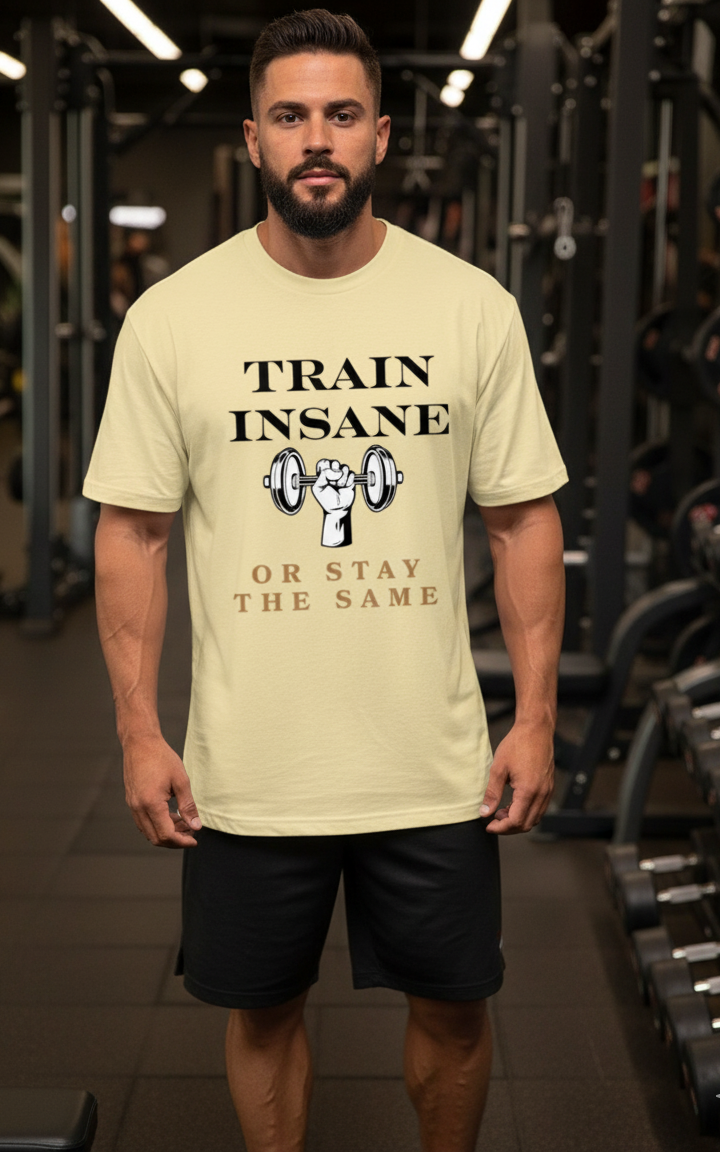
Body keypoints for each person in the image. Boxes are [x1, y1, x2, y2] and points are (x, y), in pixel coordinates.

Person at [83, 10, 567, 1151]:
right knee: (262, 1010)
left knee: (455, 1011)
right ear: (253, 139)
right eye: (291, 116)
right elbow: (133, 536)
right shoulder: (173, 319)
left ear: (380, 136)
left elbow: (522, 520)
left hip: (431, 759)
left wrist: (535, 717)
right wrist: (137, 731)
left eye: (340, 116)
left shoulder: (468, 309)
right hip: (252, 764)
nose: (317, 139)